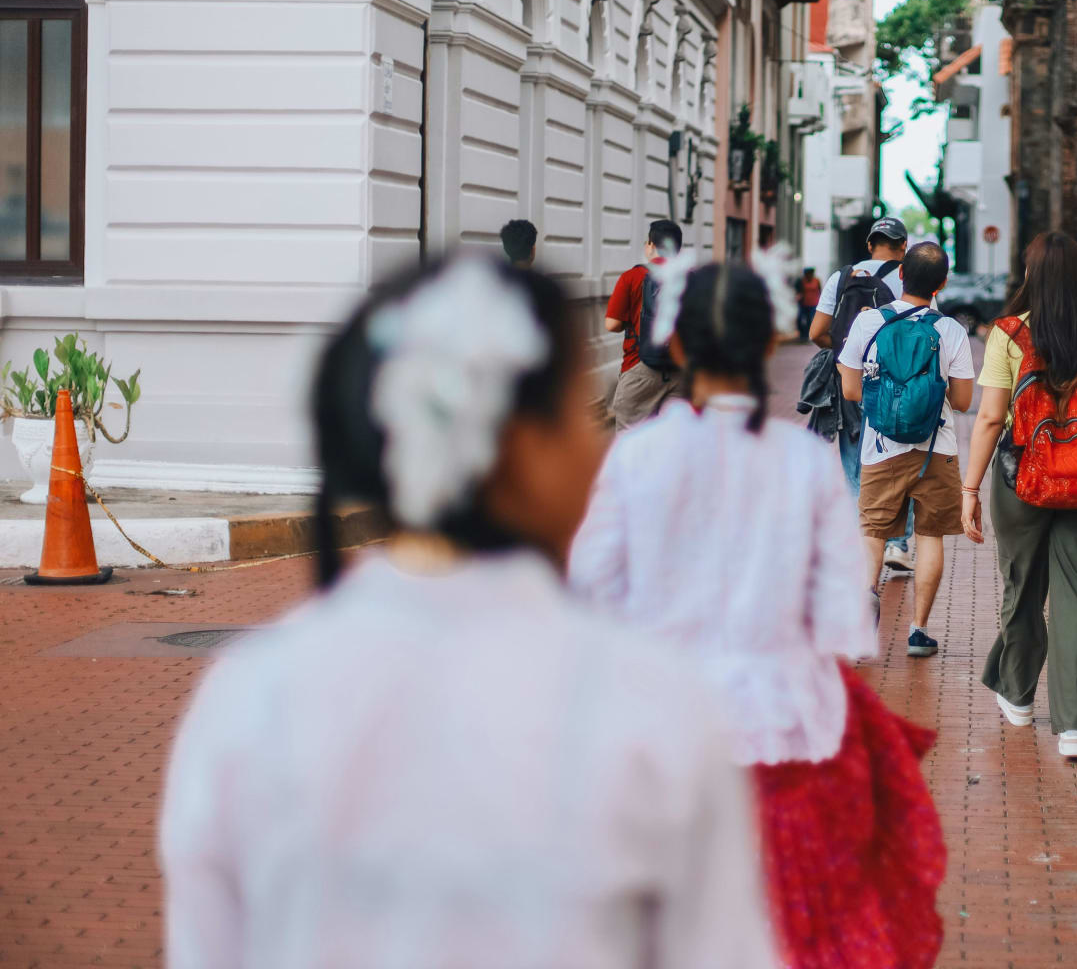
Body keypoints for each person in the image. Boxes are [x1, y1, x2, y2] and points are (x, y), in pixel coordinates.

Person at [159, 257, 775, 969]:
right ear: (521, 448)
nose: (594, 440)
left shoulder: (249, 693)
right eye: (577, 409)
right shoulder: (653, 701)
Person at [571, 258, 945, 969]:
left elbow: (590, 598)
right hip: (785, 741)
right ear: (768, 341)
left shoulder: (636, 457)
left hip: (659, 747)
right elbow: (844, 622)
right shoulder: (802, 463)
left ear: (680, 344)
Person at [960, 232, 1077, 761]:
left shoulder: (1008, 334)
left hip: (1021, 481)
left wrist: (969, 489)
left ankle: (1017, 697)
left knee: (1022, 585)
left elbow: (991, 419)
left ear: (1031, 276)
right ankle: (1075, 728)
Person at [838, 242, 974, 658]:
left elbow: (851, 390)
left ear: (900, 275)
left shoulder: (869, 322)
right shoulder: (951, 330)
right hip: (936, 448)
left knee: (873, 533)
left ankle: (865, 602)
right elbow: (963, 401)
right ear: (942, 284)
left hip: (880, 449)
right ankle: (918, 632)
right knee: (930, 536)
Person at [810, 217, 916, 576]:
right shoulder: (909, 278)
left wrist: (849, 353)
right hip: (897, 382)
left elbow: (816, 332)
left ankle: (861, 542)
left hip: (850, 381)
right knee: (901, 461)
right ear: (903, 246)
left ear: (870, 244)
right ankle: (897, 545)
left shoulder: (841, 278)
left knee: (855, 463)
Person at [604, 219, 682, 428]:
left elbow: (611, 324)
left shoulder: (632, 277)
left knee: (631, 440)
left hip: (640, 367)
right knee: (672, 440)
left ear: (651, 245)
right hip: (680, 370)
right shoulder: (690, 278)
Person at [797, 267, 822, 340]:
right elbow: (799, 291)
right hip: (804, 303)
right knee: (800, 319)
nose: (808, 275)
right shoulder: (802, 281)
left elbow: (819, 290)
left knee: (810, 319)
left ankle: (808, 335)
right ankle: (802, 334)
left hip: (814, 303)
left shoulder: (816, 281)